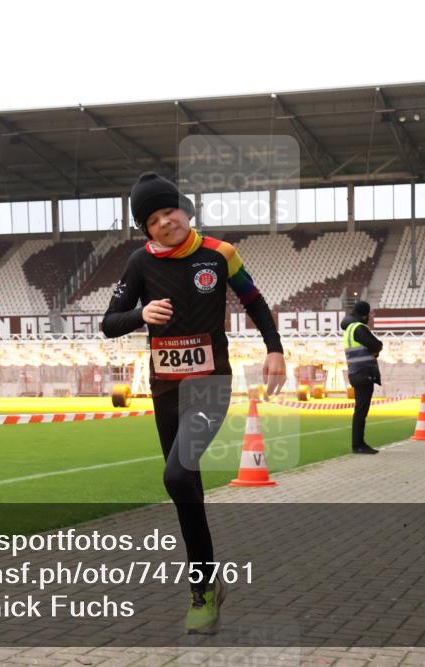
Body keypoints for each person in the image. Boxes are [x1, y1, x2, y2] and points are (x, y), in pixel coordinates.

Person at [101, 172, 286, 634]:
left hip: (209, 383)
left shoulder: (220, 254)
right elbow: (108, 323)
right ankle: (205, 587)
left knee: (177, 473)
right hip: (165, 388)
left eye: (171, 211)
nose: (167, 222)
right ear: (146, 228)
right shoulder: (139, 263)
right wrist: (140, 314)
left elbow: (256, 303)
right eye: (155, 218)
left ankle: (200, 585)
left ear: (186, 211)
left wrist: (275, 349)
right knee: (186, 493)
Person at [340, 300, 383, 454]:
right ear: (365, 315)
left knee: (360, 410)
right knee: (361, 411)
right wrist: (377, 349)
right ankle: (358, 444)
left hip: (356, 372)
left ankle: (358, 443)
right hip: (363, 373)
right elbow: (377, 345)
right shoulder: (358, 328)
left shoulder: (350, 329)